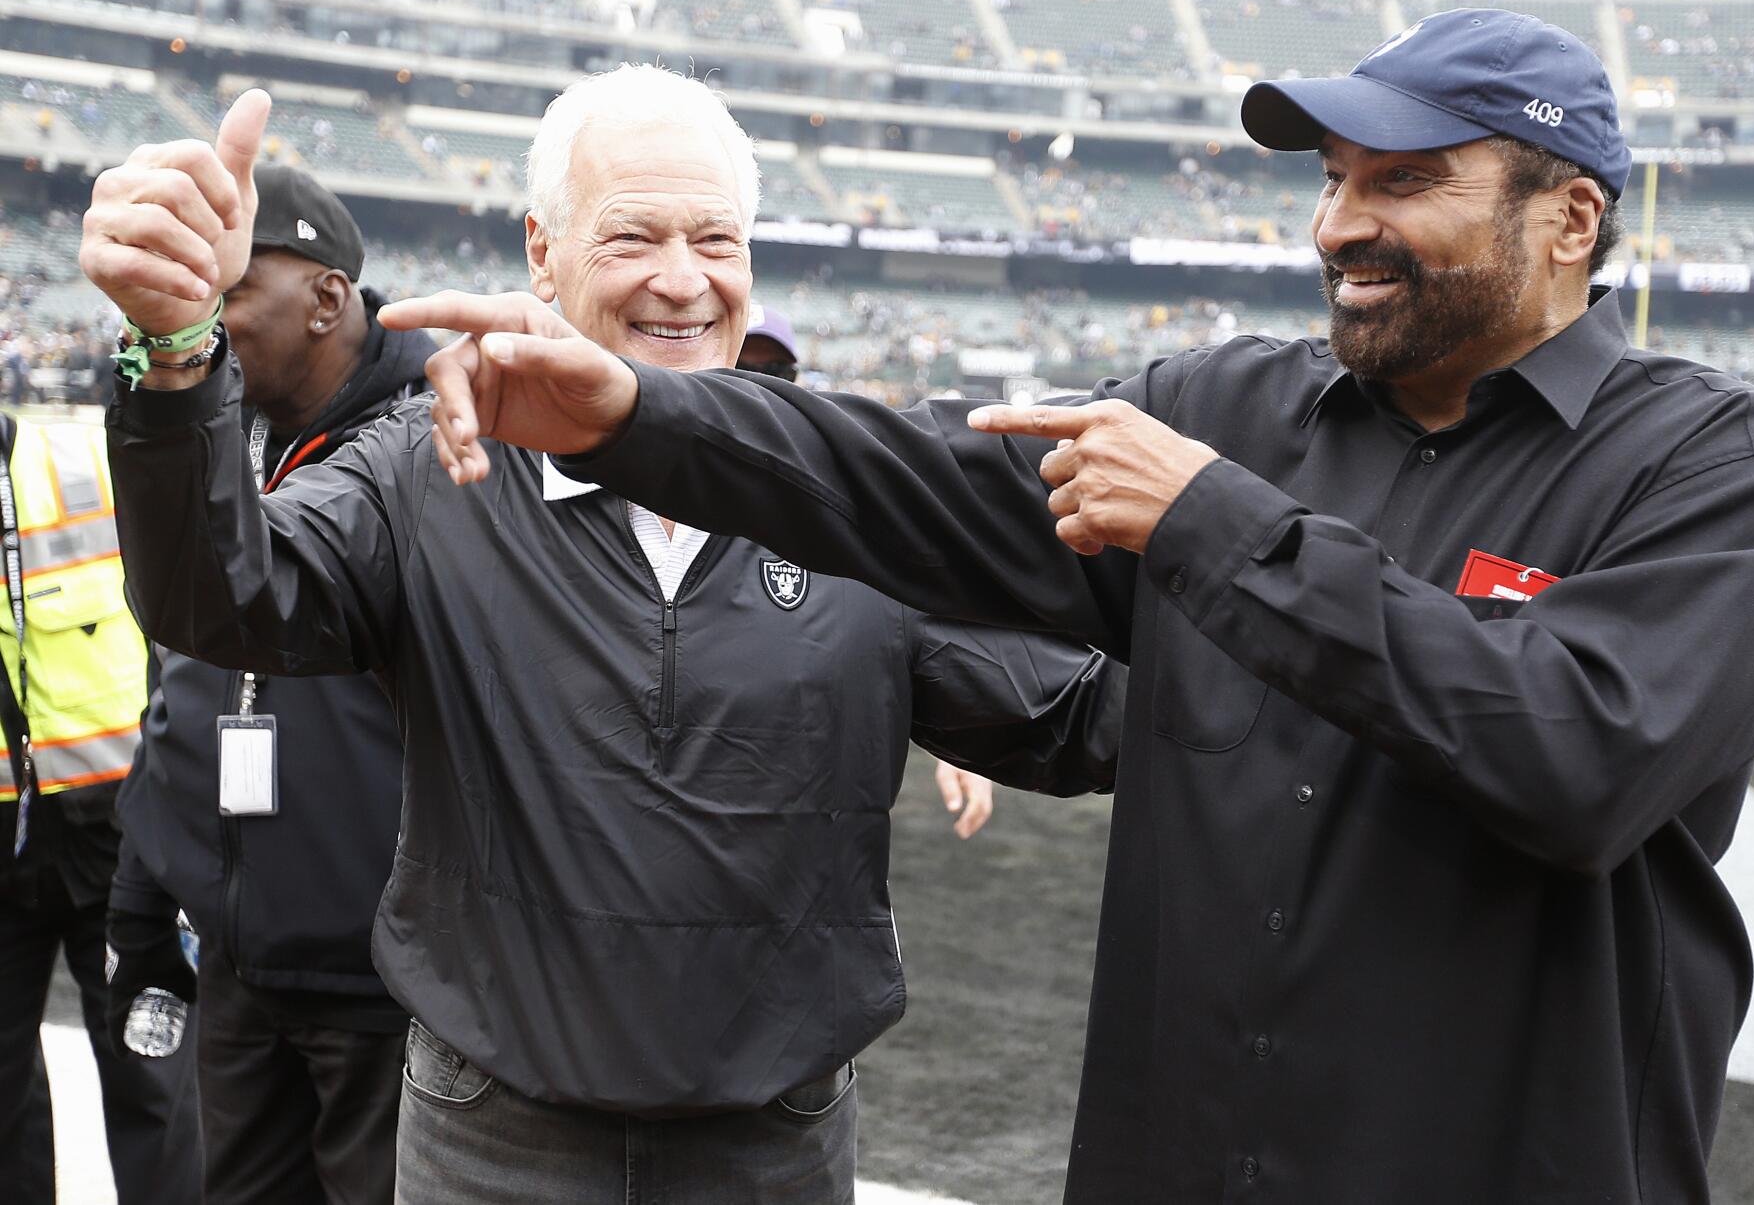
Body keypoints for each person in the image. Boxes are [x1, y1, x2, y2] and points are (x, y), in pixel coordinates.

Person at [393, 11, 1754, 1203]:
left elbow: (1581, 756)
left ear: (1569, 217)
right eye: (1333, 178)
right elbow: (918, 475)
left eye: (1404, 182)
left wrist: (1217, 528)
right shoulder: (1225, 406)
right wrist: (641, 414)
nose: (1341, 225)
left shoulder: (1711, 464)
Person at [86, 70, 1124, 1204]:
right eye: (632, 235)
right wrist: (176, 353)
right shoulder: (427, 467)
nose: (680, 280)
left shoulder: (852, 494)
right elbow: (223, 598)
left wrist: (1258, 583)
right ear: (542, 251)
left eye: (714, 238)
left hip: (772, 1144)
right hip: (492, 1142)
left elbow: (1065, 715)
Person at [106, 165, 428, 1205]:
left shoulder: (437, 443)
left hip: (387, 986)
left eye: (231, 292)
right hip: (238, 963)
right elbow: (181, 677)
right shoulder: (219, 428)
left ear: (326, 299)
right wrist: (145, 889)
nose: (206, 319)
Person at [0, 413, 201, 1205]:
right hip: (9, 839)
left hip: (120, 834)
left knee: (153, 1081)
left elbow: (188, 613)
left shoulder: (86, 459)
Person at [736, 304, 996, 841]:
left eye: (775, 373)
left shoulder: (835, 503)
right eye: (742, 366)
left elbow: (932, 639)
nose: (756, 386)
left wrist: (968, 734)